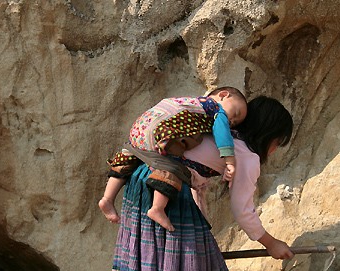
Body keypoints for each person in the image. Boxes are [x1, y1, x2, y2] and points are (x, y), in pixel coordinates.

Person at [111, 95, 295, 271]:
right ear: (268, 136)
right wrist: (271, 243)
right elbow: (243, 211)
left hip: (145, 181)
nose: (274, 149)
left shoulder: (218, 133)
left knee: (201, 256)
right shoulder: (246, 156)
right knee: (186, 269)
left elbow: (196, 175)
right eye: (278, 143)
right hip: (167, 190)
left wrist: (200, 224)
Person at [99, 87, 247, 232]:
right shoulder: (215, 109)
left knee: (127, 158)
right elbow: (223, 136)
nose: (231, 121)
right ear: (223, 94)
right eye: (235, 113)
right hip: (160, 132)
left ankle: (107, 198)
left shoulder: (189, 101)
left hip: (139, 128)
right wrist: (230, 161)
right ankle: (157, 208)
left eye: (234, 123)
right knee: (172, 167)